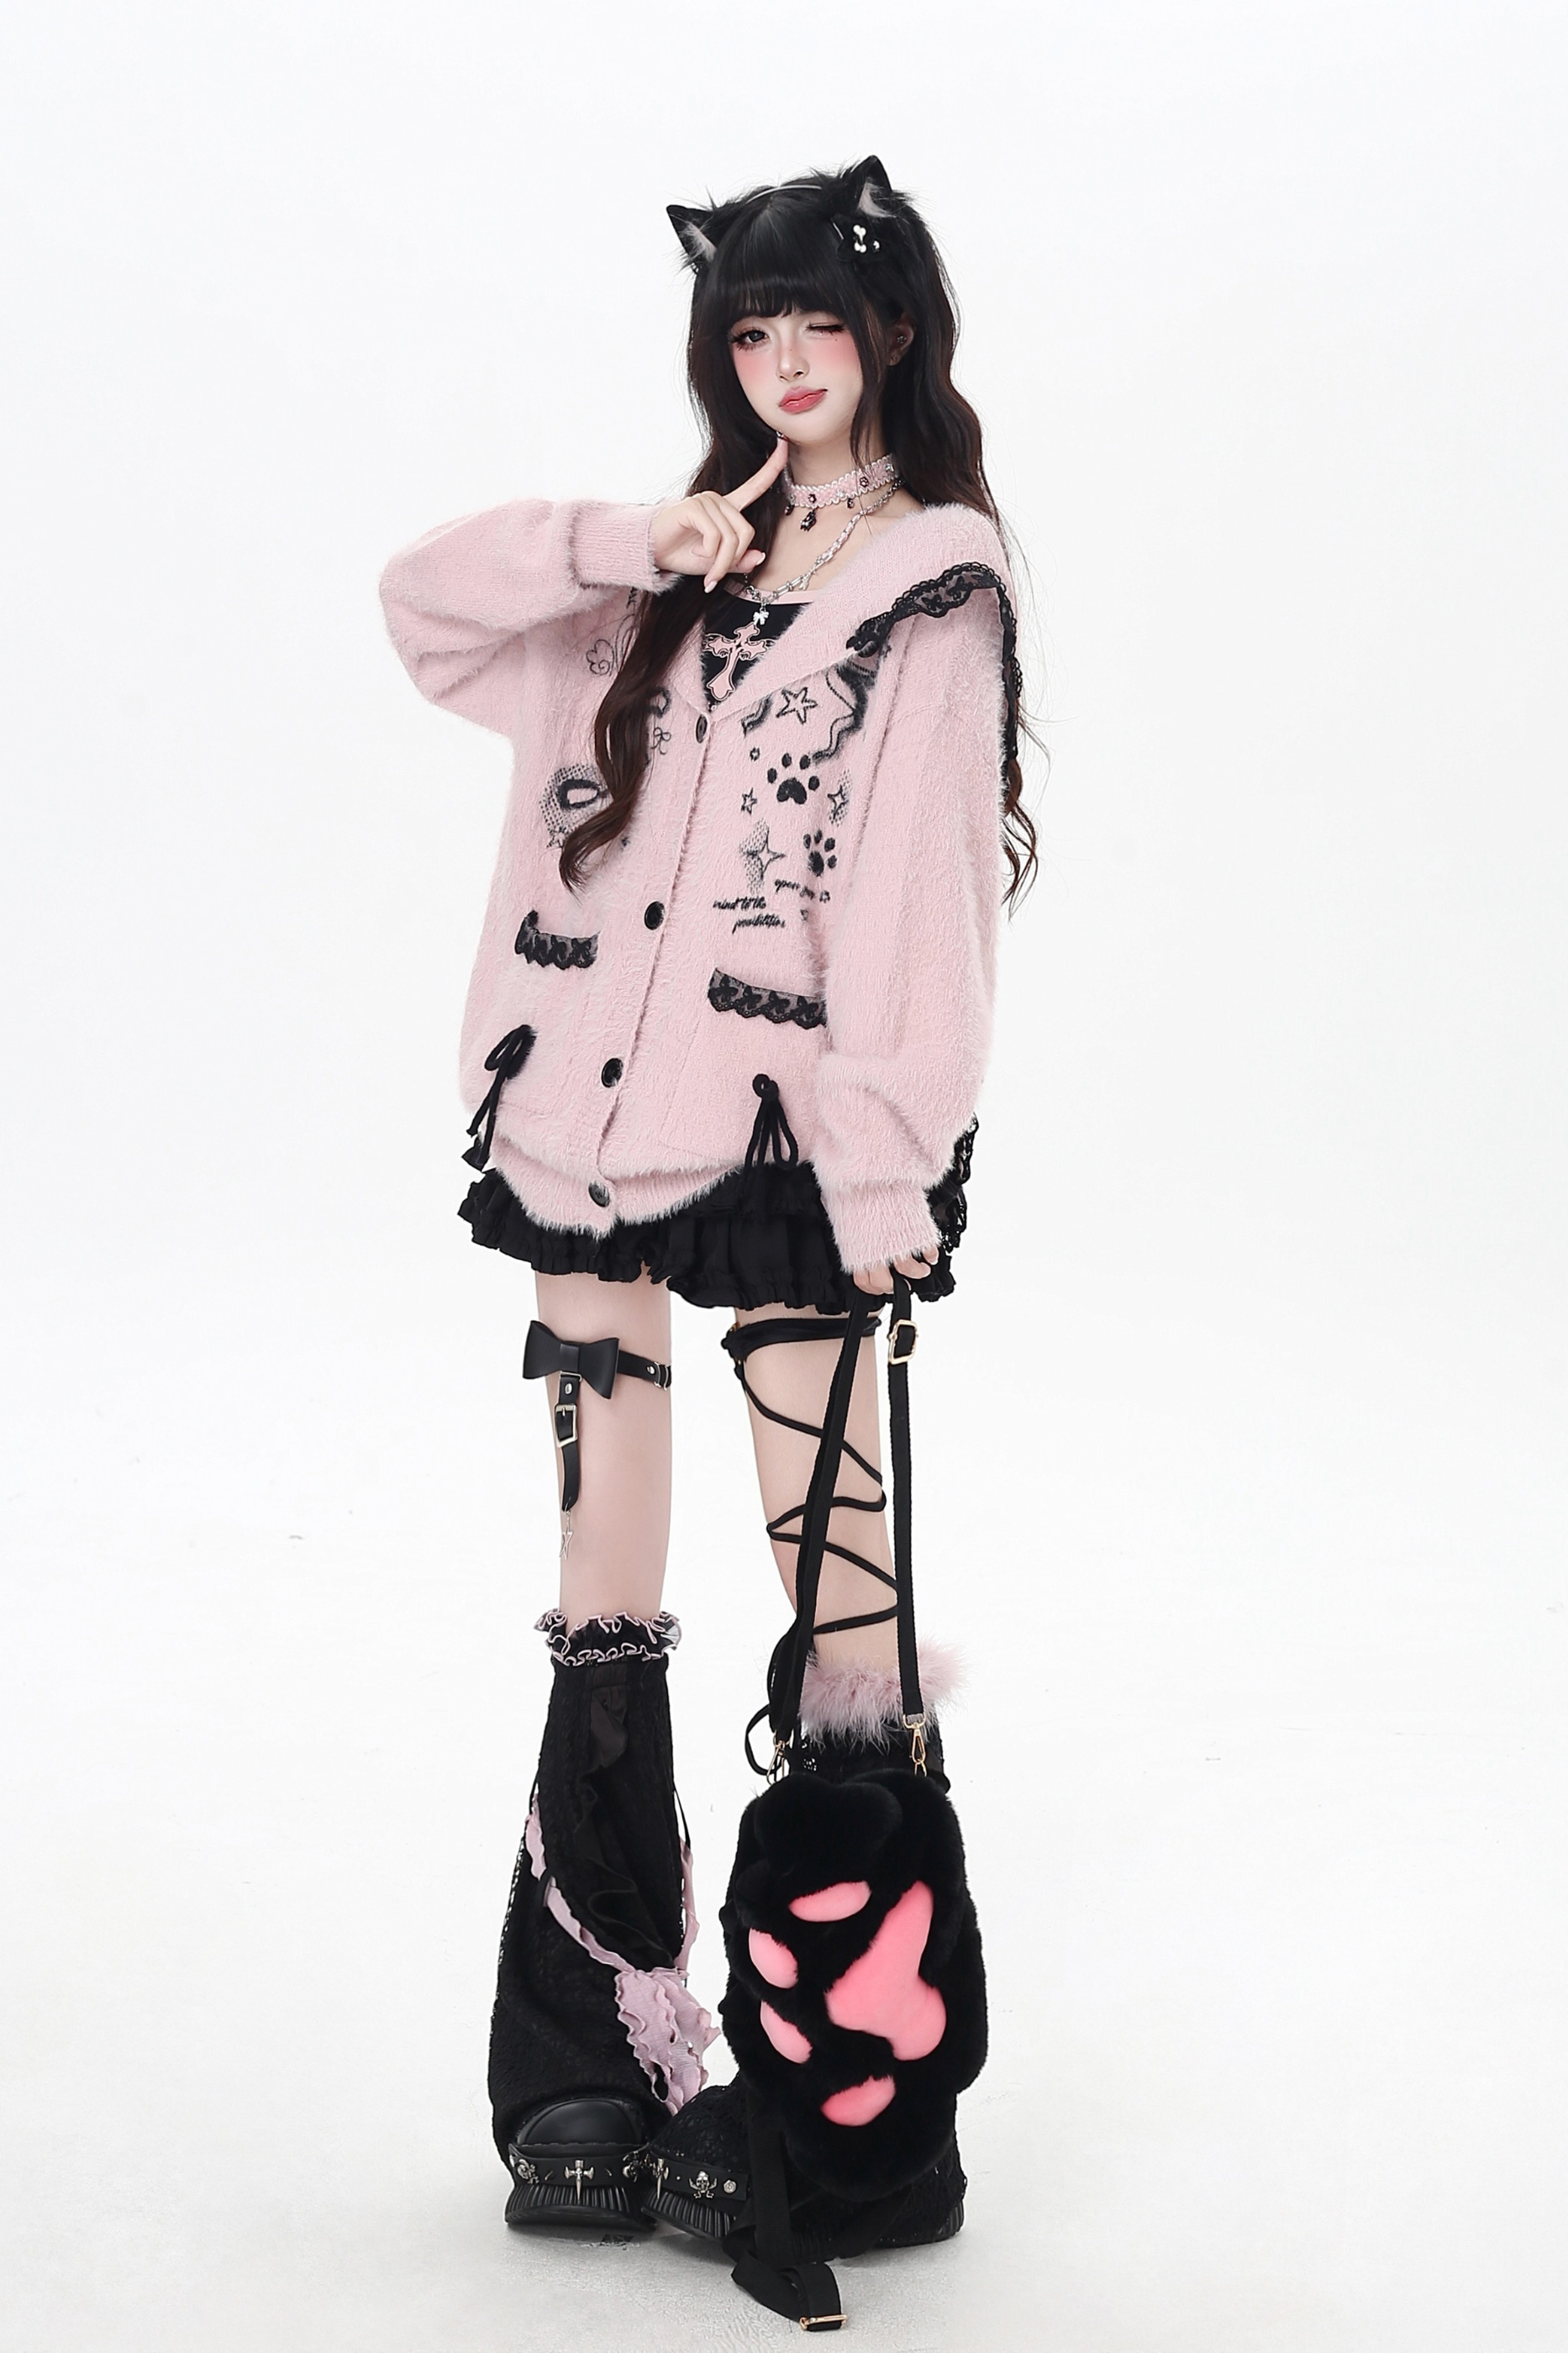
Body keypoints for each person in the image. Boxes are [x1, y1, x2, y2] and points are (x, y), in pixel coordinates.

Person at [379, 155, 1035, 2288]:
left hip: (785, 1133)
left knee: (835, 1570)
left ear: (893, 335)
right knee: (602, 1579)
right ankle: (601, 2036)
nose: (783, 362)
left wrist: (887, 1161)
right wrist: (626, 538)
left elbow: (925, 904)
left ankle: (858, 2100)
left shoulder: (931, 584)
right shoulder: (668, 563)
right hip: (576, 1115)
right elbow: (424, 606)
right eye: (750, 331)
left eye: (816, 325)